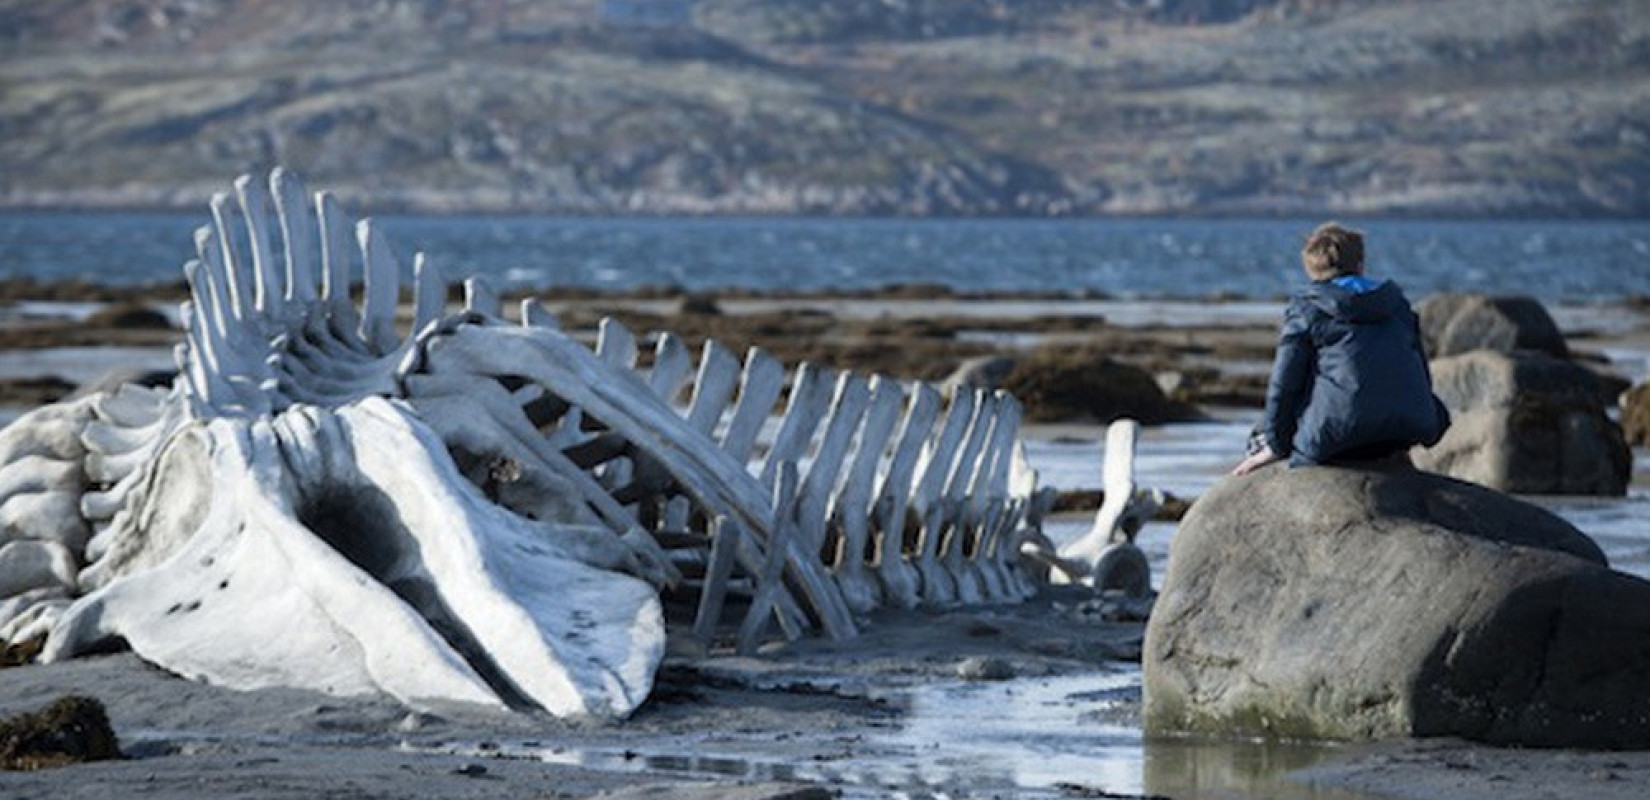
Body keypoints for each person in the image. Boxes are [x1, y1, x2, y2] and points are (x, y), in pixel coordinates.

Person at [1232, 222, 1449, 476]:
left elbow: (1284, 385)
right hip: (1408, 428)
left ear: (1311, 269)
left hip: (1338, 435)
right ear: (1360, 263)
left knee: (1262, 432)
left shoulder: (1308, 308)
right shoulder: (1397, 305)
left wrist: (1276, 446)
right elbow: (1421, 374)